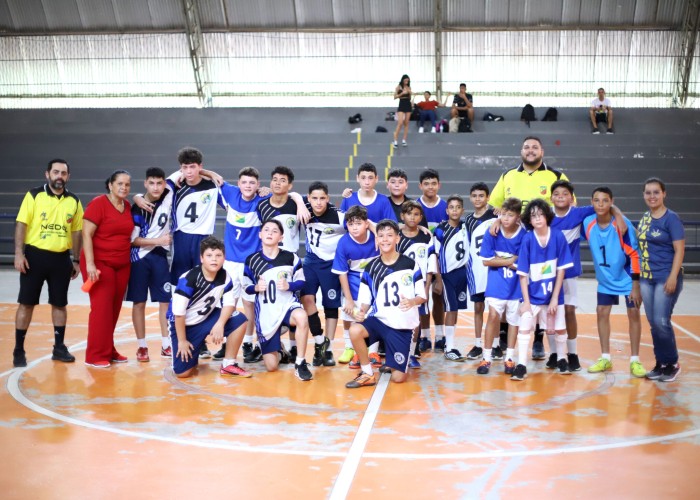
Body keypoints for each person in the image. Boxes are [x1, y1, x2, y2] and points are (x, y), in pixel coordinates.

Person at [490, 136, 574, 359]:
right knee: (513, 286)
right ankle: (506, 337)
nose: (530, 150)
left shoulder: (555, 176)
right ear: (521, 151)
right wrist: (498, 219)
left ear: (542, 151)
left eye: (535, 147)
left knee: (540, 286)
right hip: (515, 239)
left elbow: (569, 202)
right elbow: (494, 206)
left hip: (542, 241)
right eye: (526, 147)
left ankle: (538, 340)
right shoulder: (508, 175)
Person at [13, 159, 84, 367]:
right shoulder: (34, 195)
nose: (59, 176)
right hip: (34, 257)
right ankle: (19, 349)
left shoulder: (74, 201)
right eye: (56, 172)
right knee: (26, 303)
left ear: (68, 176)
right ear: (47, 174)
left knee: (60, 304)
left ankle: (59, 347)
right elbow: (21, 223)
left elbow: (77, 231)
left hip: (61, 258)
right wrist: (19, 253)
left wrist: (76, 259)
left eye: (63, 173)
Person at [345, 219, 427, 388]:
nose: (385, 239)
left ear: (397, 239)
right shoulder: (371, 267)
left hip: (402, 326)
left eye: (389, 235)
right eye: (380, 236)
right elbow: (365, 302)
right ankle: (368, 373)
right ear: (376, 240)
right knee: (355, 329)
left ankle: (393, 360)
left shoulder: (410, 264)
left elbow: (422, 296)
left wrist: (412, 302)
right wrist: (361, 312)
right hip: (380, 321)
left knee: (398, 378)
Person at [583, 187, 645, 378]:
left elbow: (635, 254)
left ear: (612, 201)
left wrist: (636, 285)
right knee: (601, 312)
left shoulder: (621, 224)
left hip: (626, 277)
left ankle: (635, 360)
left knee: (633, 312)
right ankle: (605, 357)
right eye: (596, 200)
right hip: (605, 278)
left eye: (605, 200)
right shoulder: (587, 223)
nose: (600, 204)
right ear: (591, 202)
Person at [169, 236, 250, 378]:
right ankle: (196, 345)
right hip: (184, 325)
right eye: (209, 255)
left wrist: (220, 324)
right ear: (201, 258)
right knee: (183, 373)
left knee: (240, 319)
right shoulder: (188, 279)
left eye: (218, 255)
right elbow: (178, 315)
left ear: (224, 258)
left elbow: (230, 304)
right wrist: (182, 341)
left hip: (206, 317)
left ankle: (228, 364)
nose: (214, 259)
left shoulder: (225, 276)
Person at [243, 220, 313, 381]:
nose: (269, 233)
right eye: (266, 230)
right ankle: (280, 350)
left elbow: (302, 282)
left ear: (281, 237)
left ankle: (300, 362)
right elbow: (245, 286)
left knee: (302, 317)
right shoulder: (251, 260)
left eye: (274, 231)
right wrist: (255, 287)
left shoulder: (291, 258)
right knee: (271, 366)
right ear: (260, 235)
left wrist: (290, 285)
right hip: (266, 314)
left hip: (288, 307)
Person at [514, 199, 573, 380]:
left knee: (560, 329)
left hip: (553, 294)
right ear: (529, 221)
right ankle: (521, 364)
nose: (537, 218)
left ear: (547, 216)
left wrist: (555, 298)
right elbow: (522, 274)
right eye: (533, 216)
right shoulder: (528, 239)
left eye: (540, 214)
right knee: (524, 326)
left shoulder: (558, 236)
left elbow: (561, 269)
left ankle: (562, 359)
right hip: (532, 295)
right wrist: (527, 302)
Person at [81, 170, 135, 368]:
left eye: (127, 184)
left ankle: (108, 349)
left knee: (113, 310)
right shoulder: (98, 204)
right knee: (101, 310)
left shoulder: (127, 205)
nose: (124, 187)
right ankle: (95, 355)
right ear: (110, 185)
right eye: (120, 183)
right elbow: (87, 234)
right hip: (99, 263)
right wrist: (90, 264)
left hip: (122, 264)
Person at [637, 177, 685, 382]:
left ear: (664, 194)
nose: (652, 196)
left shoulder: (671, 218)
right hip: (646, 278)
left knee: (661, 320)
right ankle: (661, 363)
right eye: (648, 192)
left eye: (656, 192)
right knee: (653, 323)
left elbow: (679, 249)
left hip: (666, 277)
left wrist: (673, 276)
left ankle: (672, 363)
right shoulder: (645, 218)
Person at [127, 167, 173, 362]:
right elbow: (133, 241)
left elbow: (182, 173)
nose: (156, 187)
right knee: (139, 302)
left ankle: (166, 345)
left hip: (160, 258)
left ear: (164, 183)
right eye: (151, 183)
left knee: (165, 301)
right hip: (139, 258)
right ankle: (142, 347)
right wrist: (158, 241)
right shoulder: (137, 208)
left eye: (159, 183)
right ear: (145, 183)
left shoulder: (169, 196)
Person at [476, 198, 525, 375]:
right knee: (493, 317)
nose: (505, 218)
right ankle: (486, 357)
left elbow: (524, 260)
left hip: (515, 283)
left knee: (513, 321)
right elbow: (486, 261)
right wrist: (510, 260)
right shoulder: (493, 232)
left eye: (510, 215)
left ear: (517, 217)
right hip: (496, 282)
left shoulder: (524, 235)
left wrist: (510, 263)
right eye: (503, 214)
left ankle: (510, 358)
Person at [301, 181, 345, 367]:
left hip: (331, 266)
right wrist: (298, 200)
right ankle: (320, 341)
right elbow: (288, 196)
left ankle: (328, 350)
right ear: (309, 199)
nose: (318, 202)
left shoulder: (338, 216)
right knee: (307, 299)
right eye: (314, 198)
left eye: (322, 198)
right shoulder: (303, 210)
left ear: (328, 199)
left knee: (330, 306)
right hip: (311, 262)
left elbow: (363, 222)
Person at [332, 206, 380, 365]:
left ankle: (373, 351)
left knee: (374, 316)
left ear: (366, 224)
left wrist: (375, 229)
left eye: (358, 223)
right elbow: (342, 273)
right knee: (349, 313)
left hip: (374, 284)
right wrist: (349, 299)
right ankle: (349, 347)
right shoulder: (343, 242)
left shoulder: (376, 236)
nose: (354, 227)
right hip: (353, 284)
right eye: (351, 224)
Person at [398, 201, 436, 369]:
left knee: (416, 320)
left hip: (419, 286)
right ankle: (399, 351)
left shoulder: (426, 236)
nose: (412, 217)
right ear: (402, 216)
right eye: (408, 214)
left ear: (421, 217)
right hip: (400, 285)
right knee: (398, 319)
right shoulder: (396, 235)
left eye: (416, 214)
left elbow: (431, 264)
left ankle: (412, 353)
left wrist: (426, 287)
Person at [464, 182, 499, 360]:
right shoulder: (468, 220)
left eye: (481, 196)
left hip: (493, 267)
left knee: (495, 308)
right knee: (478, 307)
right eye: (475, 196)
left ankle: (496, 344)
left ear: (488, 198)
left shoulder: (495, 215)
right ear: (470, 198)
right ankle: (478, 344)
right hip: (476, 268)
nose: (478, 199)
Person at [416, 169, 448, 352]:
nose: (430, 187)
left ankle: (442, 336)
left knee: (438, 298)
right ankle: (425, 336)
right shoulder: (415, 208)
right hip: (421, 262)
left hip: (442, 262)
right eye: (426, 183)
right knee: (423, 299)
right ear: (420, 186)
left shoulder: (445, 207)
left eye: (433, 183)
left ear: (439, 185)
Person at [433, 195, 469, 362]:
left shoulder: (465, 226)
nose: (455, 210)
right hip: (447, 275)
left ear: (462, 210)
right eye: (451, 207)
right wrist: (438, 279)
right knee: (450, 309)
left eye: (458, 207)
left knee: (455, 309)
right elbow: (435, 256)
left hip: (461, 274)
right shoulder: (441, 230)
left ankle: (451, 344)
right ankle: (449, 347)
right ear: (447, 210)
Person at [392, 74, 412, 147]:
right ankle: (395, 140)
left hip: (408, 104)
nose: (407, 81)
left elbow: (409, 98)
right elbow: (394, 97)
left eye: (408, 80)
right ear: (402, 80)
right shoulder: (398, 87)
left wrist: (409, 93)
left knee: (406, 123)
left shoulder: (408, 87)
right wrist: (402, 93)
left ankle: (404, 140)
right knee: (400, 123)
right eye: (405, 80)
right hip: (402, 104)